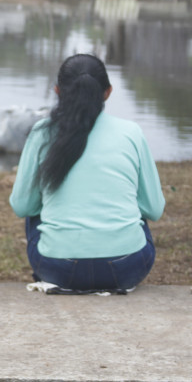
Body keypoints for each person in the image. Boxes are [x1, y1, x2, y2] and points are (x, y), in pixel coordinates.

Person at [9, 54, 165, 292]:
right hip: (126, 268)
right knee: (136, 211)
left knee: (36, 208)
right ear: (108, 92)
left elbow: (22, 206)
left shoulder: (42, 133)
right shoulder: (131, 133)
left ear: (57, 91)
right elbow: (153, 209)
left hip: (57, 268)